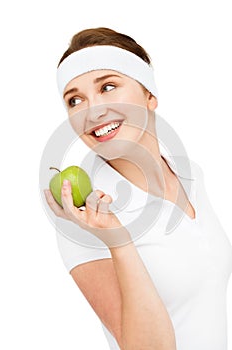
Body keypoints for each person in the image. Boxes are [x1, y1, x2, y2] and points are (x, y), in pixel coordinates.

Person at [44, 27, 232, 350]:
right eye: (75, 100)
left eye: (108, 86)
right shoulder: (82, 215)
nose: (92, 111)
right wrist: (118, 240)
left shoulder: (191, 175)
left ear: (149, 95)